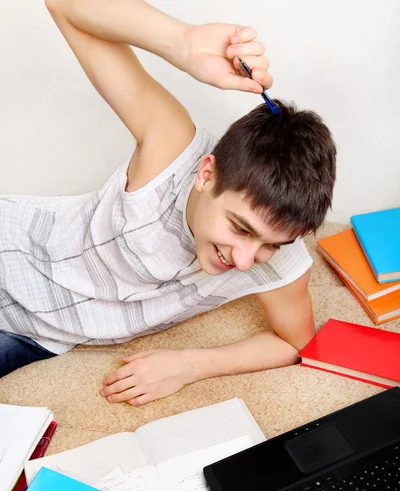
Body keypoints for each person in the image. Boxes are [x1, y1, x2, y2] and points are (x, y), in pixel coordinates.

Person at [0, 0, 336, 404]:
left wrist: (189, 365)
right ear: (206, 174)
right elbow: (65, 5)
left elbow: (296, 342)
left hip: (32, 334)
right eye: (240, 227)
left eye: (270, 244)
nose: (245, 260)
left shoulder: (280, 254)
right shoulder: (172, 148)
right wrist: (181, 41)